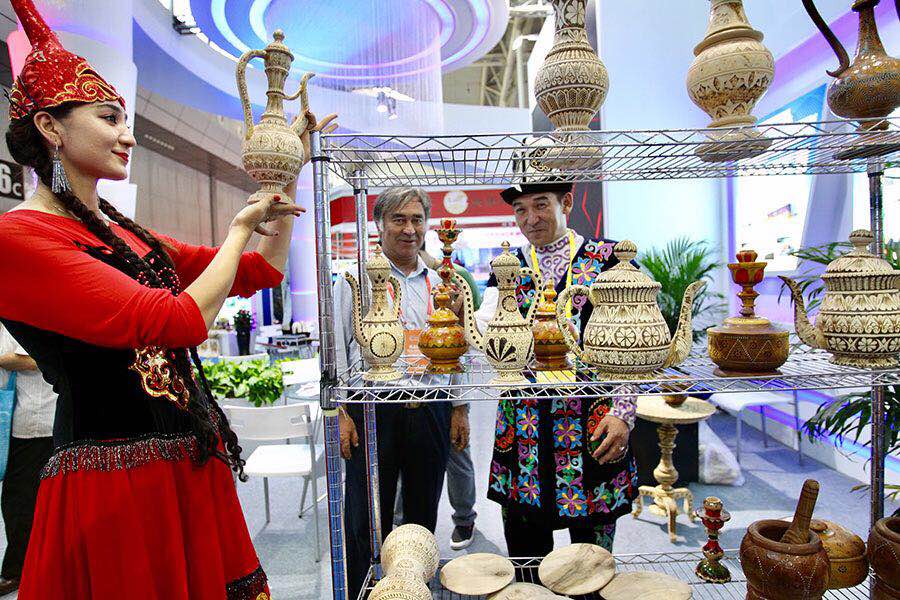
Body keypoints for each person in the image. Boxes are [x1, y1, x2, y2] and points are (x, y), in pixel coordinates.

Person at [0, 1, 337, 596]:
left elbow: (259, 271)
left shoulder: (123, 233)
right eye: (109, 118)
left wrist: (285, 178)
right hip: (113, 481)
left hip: (184, 462)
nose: (127, 135)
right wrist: (238, 228)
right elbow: (176, 320)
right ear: (51, 127)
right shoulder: (20, 238)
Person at [475, 180, 638, 557]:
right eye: (520, 210)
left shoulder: (610, 259)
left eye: (540, 205)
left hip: (593, 424)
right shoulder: (507, 267)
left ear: (566, 202)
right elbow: (485, 330)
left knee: (592, 563)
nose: (530, 218)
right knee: (527, 559)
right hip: (524, 431)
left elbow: (634, 344)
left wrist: (624, 413)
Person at [334, 187, 470, 598]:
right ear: (379, 225)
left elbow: (458, 347)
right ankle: (363, 591)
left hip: (431, 405)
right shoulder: (356, 280)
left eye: (416, 219)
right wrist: (341, 413)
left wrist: (459, 406)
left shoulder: (444, 280)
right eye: (398, 219)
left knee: (422, 514)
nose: (409, 229)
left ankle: (415, 590)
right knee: (366, 516)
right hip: (372, 409)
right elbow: (338, 346)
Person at [0, 324, 56, 596]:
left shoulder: (27, 314)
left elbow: (36, 358)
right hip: (26, 418)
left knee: (20, 499)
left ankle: (17, 570)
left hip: (36, 419)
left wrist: (3, 359)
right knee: (20, 498)